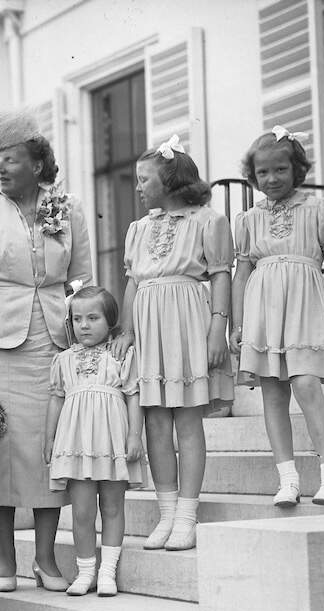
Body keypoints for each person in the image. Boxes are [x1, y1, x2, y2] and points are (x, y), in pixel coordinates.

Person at [0, 109, 93, 593]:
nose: (0, 168)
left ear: (36, 164)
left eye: (9, 159)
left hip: (55, 343)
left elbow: (81, 280)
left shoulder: (68, 207)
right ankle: (7, 558)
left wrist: (87, 337)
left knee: (50, 448)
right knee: (2, 449)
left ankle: (46, 559)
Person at [115, 136, 234, 552]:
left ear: (169, 181)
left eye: (144, 179)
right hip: (150, 326)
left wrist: (218, 328)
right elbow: (133, 283)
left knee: (186, 419)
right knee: (155, 421)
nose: (138, 187)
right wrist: (127, 331)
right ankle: (166, 513)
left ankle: (186, 515)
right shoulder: (139, 229)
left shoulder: (208, 222)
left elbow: (220, 275)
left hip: (186, 320)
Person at [230, 126, 324, 508]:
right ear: (253, 175)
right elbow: (241, 274)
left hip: (305, 305)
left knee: (307, 384)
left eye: (280, 169)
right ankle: (288, 479)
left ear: (297, 169)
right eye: (262, 172)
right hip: (264, 309)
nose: (271, 178)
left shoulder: (318, 208)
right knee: (273, 393)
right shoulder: (249, 219)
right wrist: (238, 325)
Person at [44, 286, 143, 596]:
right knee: (82, 511)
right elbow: (56, 399)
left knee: (112, 507)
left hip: (112, 442)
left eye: (93, 318)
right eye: (77, 319)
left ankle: (107, 572)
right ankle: (86, 571)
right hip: (77, 444)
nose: (83, 325)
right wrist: (50, 438)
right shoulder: (63, 360)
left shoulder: (121, 355)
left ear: (110, 320)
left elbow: (133, 396)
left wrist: (134, 436)